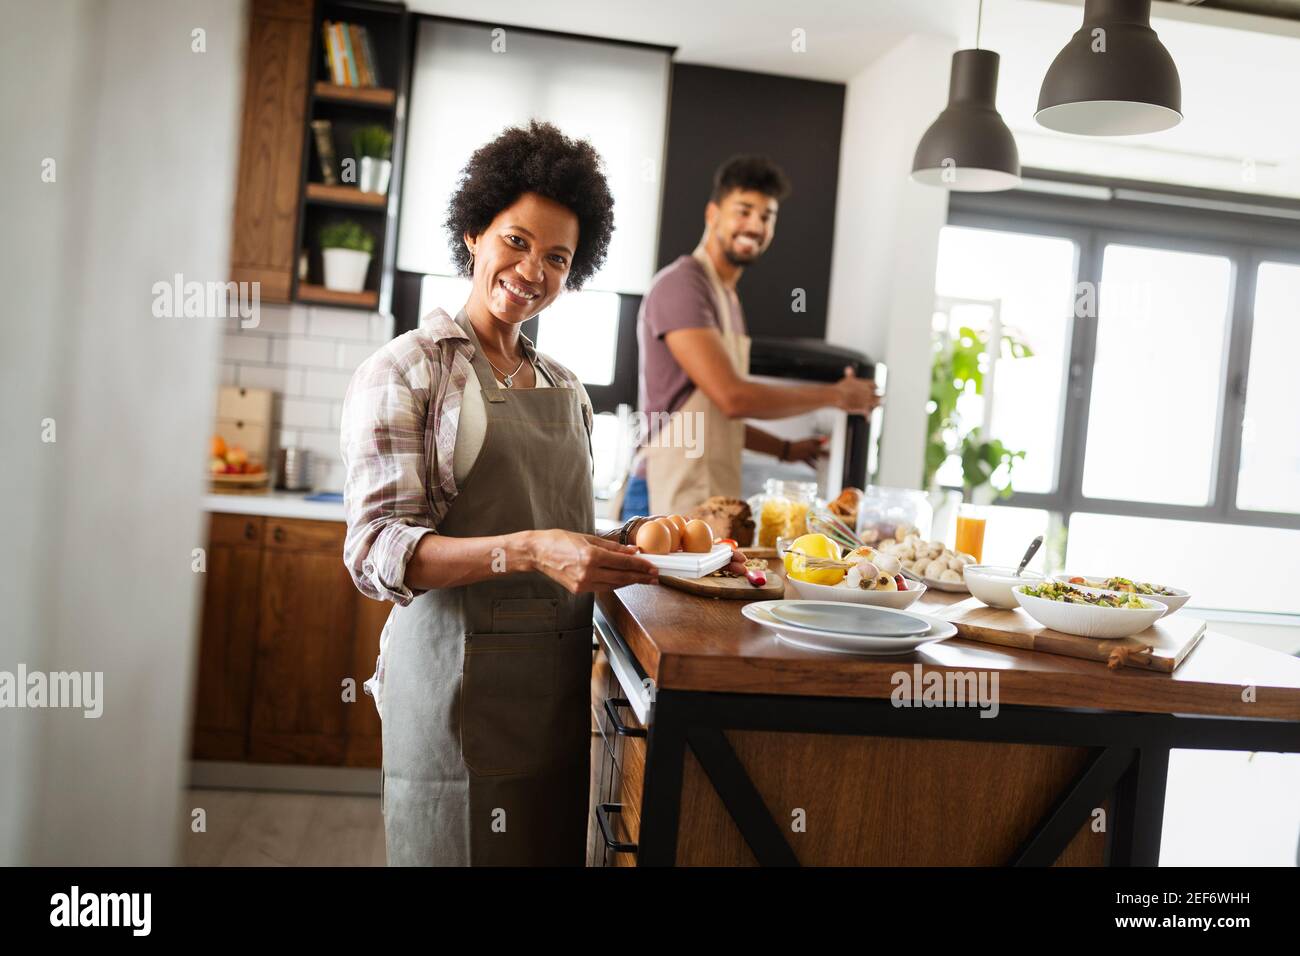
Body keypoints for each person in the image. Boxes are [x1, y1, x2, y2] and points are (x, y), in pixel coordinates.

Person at [340, 121, 744, 866]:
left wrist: (642, 541)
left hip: (552, 701)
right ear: (473, 231)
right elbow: (373, 554)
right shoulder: (407, 372)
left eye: (557, 257)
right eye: (517, 241)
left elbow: (564, 533)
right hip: (454, 698)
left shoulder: (564, 386)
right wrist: (528, 550)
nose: (533, 270)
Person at [625, 155, 882, 519]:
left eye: (766, 216)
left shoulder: (727, 298)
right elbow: (732, 398)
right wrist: (837, 395)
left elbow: (713, 420)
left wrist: (784, 449)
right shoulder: (682, 285)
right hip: (659, 492)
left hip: (702, 493)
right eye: (743, 211)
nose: (755, 225)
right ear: (713, 214)